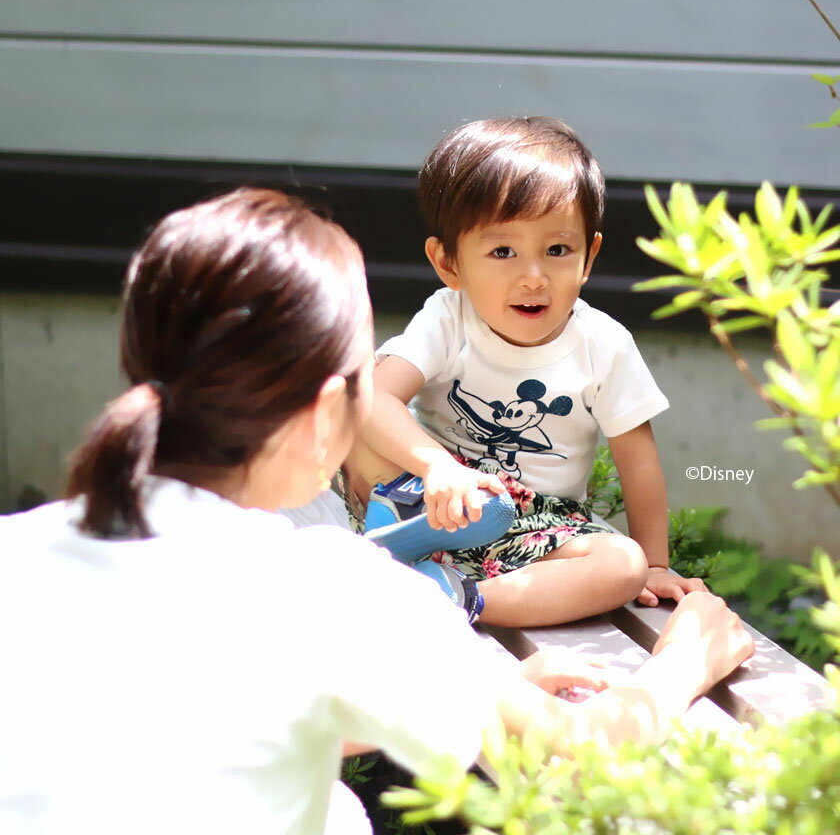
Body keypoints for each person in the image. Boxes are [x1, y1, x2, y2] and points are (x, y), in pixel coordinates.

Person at [0, 188, 753, 835]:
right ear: (332, 408)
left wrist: (477, 690)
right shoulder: (337, 590)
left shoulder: (19, 553)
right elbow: (581, 754)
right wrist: (682, 662)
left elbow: (162, 730)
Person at [343, 116, 707, 628]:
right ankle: (402, 521)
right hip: (429, 490)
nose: (533, 276)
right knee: (356, 389)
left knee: (620, 565)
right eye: (503, 251)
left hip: (536, 524)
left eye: (557, 250)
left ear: (589, 256)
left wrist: (654, 564)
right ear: (449, 263)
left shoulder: (602, 346)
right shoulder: (449, 317)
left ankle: (455, 595)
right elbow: (375, 399)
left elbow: (638, 462)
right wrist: (438, 469)